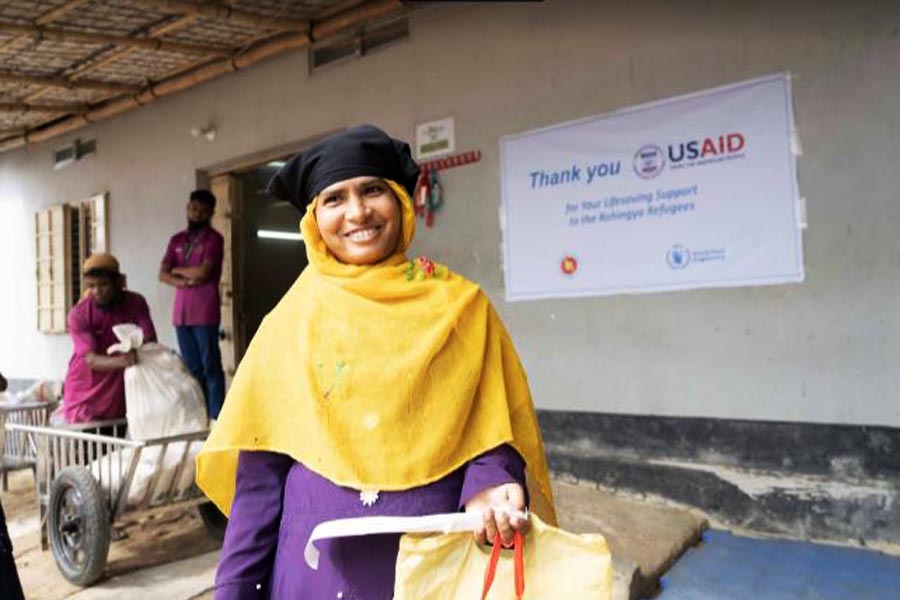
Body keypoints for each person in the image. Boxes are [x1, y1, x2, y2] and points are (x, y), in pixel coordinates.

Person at [196, 125, 557, 599]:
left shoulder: (461, 308)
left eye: (372, 191)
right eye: (335, 199)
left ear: (402, 205)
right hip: (312, 571)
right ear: (313, 219)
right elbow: (260, 480)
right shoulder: (289, 323)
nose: (357, 212)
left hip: (433, 562)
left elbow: (493, 426)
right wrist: (235, 587)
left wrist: (489, 481)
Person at [60, 254, 157, 425]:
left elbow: (149, 338)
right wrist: (124, 360)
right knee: (87, 450)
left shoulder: (136, 303)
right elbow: (91, 360)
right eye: (91, 286)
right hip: (84, 398)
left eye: (103, 284)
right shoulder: (79, 314)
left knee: (116, 450)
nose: (97, 291)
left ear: (118, 282)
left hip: (117, 397)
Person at [159, 189, 226, 420]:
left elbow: (204, 272)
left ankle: (216, 417)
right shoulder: (177, 240)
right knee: (191, 369)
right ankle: (199, 415)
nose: (196, 214)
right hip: (181, 314)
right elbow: (163, 274)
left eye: (202, 210)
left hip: (205, 312)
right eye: (193, 208)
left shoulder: (214, 239)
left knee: (210, 366)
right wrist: (186, 276)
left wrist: (177, 271)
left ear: (211, 213)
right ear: (188, 208)